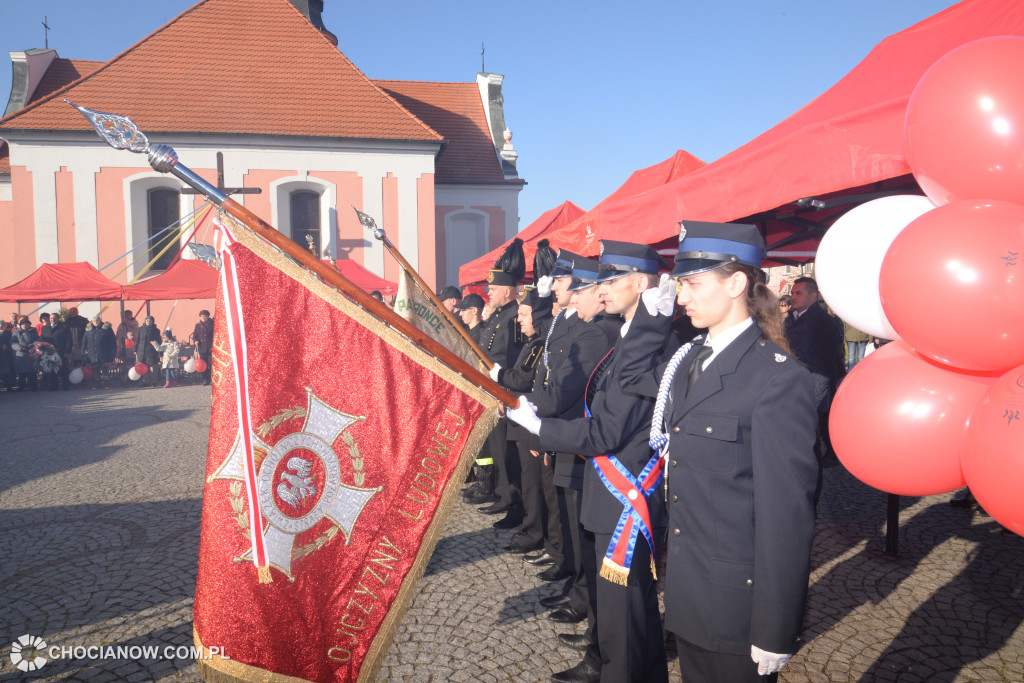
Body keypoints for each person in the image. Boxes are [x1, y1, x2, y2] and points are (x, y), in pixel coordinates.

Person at [622, 222, 818, 682]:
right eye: (680, 284)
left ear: (735, 284)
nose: (682, 297)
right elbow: (632, 379)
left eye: (691, 283)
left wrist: (775, 625)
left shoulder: (776, 378)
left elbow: (786, 514)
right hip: (690, 593)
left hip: (737, 606)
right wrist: (650, 319)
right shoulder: (689, 358)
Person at [508, 240, 669, 683]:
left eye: (610, 280)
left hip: (625, 494)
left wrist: (541, 427)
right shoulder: (627, 339)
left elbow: (607, 430)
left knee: (627, 611)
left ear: (641, 282)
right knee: (618, 612)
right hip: (606, 487)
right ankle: (611, 663)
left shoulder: (644, 345)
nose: (599, 291)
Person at [10, 317, 40, 392]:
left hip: (31, 353)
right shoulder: (16, 332)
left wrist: (31, 347)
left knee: (32, 372)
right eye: (23, 324)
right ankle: (21, 387)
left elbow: (37, 341)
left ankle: (34, 387)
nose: (25, 326)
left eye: (26, 324)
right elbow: (12, 343)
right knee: (21, 373)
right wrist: (20, 348)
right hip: (20, 354)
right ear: (20, 325)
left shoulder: (33, 331)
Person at [135, 316, 162, 387]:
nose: (148, 322)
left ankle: (154, 381)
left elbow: (159, 341)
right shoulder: (140, 329)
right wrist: (135, 349)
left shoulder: (156, 330)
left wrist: (157, 348)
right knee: (144, 366)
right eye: (147, 320)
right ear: (145, 321)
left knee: (153, 366)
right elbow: (137, 340)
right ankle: (146, 381)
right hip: (141, 351)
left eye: (150, 321)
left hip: (152, 351)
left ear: (152, 322)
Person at [193, 309, 215, 385]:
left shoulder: (213, 324)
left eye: (205, 316)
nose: (203, 318)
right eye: (202, 316)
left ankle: (213, 379)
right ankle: (206, 379)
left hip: (211, 347)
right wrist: (195, 340)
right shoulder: (197, 325)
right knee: (203, 365)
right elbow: (195, 336)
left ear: (208, 316)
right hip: (202, 348)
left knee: (212, 364)